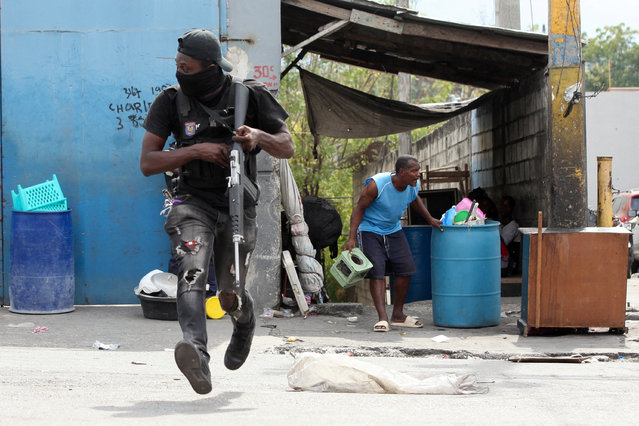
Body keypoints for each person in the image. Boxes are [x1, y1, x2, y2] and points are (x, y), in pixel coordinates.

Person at [139, 29, 293, 394]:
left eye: (186, 66)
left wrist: (258, 136)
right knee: (191, 273)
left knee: (229, 294)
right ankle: (196, 352)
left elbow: (286, 145)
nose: (180, 72)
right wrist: (196, 151)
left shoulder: (249, 95)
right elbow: (148, 162)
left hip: (238, 203)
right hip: (192, 202)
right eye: (177, 65)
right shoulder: (170, 102)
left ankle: (244, 322)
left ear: (209, 67)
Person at [343, 155, 443, 332]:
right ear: (402, 172)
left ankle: (398, 315)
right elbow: (359, 208)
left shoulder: (412, 185)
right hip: (369, 229)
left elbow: (414, 198)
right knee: (377, 272)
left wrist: (430, 219)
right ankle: (382, 318)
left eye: (418, 170)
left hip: (393, 229)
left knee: (406, 269)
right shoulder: (378, 185)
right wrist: (352, 238)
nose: (418, 174)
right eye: (414, 171)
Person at [499, 195, 521, 275]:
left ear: (511, 208)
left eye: (506, 206)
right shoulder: (500, 224)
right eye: (501, 205)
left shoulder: (513, 226)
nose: (502, 208)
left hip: (507, 264)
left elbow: (501, 244)